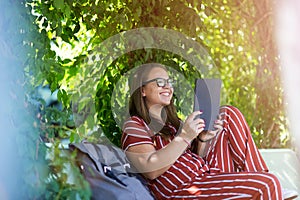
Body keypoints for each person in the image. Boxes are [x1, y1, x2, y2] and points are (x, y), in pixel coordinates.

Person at [121, 63, 298, 199]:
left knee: (228, 113)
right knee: (268, 184)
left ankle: (263, 178)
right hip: (183, 189)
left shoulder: (173, 124)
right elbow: (150, 169)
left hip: (205, 176)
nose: (167, 86)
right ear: (142, 90)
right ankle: (268, 186)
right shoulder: (135, 125)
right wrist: (185, 137)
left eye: (169, 82)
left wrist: (203, 139)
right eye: (160, 82)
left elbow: (196, 158)